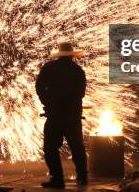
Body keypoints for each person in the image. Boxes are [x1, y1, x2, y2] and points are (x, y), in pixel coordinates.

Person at [36, 42, 88, 189]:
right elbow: (81, 93)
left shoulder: (49, 68)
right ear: (72, 55)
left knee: (50, 148)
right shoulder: (78, 71)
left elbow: (39, 87)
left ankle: (57, 179)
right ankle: (82, 177)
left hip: (54, 115)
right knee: (77, 147)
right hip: (72, 115)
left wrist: (46, 101)